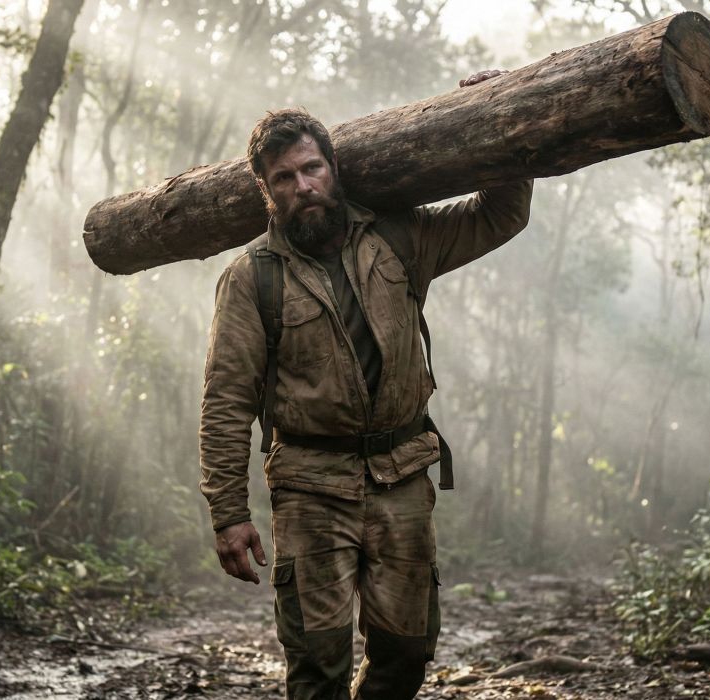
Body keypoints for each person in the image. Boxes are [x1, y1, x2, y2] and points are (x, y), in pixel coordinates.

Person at [199, 70, 533, 700]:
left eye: (311, 169)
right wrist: (229, 513)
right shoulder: (251, 278)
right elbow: (225, 401)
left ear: (332, 167)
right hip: (308, 487)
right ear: (267, 192)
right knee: (317, 665)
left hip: (403, 477)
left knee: (405, 656)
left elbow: (502, 214)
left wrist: (493, 113)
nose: (304, 187)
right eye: (285, 179)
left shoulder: (400, 236)